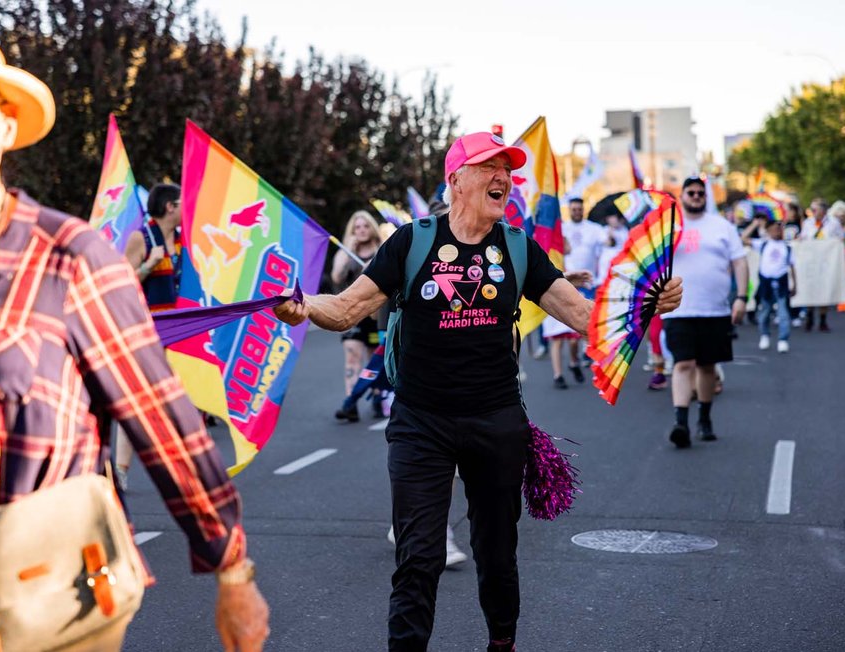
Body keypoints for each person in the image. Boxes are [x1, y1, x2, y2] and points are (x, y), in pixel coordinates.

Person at [0, 28, 268, 651]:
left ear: (4, 126)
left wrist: (233, 572)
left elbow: (164, 422)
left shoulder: (70, 257)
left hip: (57, 604)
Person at [274, 132, 682, 651]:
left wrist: (645, 300)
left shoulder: (516, 246)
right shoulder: (411, 242)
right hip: (420, 423)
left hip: (495, 420)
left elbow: (583, 316)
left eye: (507, 170)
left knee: (496, 553)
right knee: (418, 557)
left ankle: (501, 643)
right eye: (490, 166)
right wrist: (305, 305)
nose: (503, 178)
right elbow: (346, 308)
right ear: (456, 180)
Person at [663, 176, 747, 448]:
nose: (696, 196)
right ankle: (681, 422)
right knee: (683, 363)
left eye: (700, 192)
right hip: (677, 308)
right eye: (691, 192)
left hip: (715, 309)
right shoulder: (668, 226)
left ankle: (704, 418)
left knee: (707, 366)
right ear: (682, 196)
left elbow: (740, 262)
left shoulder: (722, 226)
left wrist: (742, 297)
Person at [116, 183, 182, 488]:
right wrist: (149, 265)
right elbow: (123, 284)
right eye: (182, 203)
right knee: (138, 400)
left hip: (180, 332)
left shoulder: (183, 240)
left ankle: (177, 470)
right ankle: (120, 468)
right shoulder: (141, 237)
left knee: (176, 402)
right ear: (170, 207)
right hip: (146, 331)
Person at [330, 210, 383, 421]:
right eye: (357, 227)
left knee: (374, 360)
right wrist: (349, 250)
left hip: (376, 314)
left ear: (372, 228)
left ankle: (378, 397)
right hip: (352, 314)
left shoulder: (382, 249)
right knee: (352, 358)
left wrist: (374, 267)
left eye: (365, 226)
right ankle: (350, 403)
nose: (361, 230)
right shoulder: (345, 252)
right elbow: (336, 277)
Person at [548, 197, 605, 389]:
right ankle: (558, 375)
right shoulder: (561, 229)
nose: (577, 212)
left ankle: (574, 362)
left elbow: (608, 243)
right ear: (569, 210)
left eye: (579, 209)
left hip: (586, 285)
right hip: (560, 284)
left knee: (577, 333)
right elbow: (550, 250)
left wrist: (612, 238)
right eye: (573, 209)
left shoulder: (593, 229)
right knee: (557, 336)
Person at [742, 217, 796, 352]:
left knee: (783, 313)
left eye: (778, 229)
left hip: (781, 282)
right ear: (768, 231)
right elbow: (743, 239)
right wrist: (755, 224)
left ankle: (783, 339)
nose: (776, 232)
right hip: (765, 283)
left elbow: (792, 267)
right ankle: (764, 335)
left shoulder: (787, 247)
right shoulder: (763, 244)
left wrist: (795, 284)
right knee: (764, 312)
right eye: (773, 230)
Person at [799, 197, 844, 332]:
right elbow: (803, 238)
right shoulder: (808, 223)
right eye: (812, 209)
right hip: (811, 261)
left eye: (815, 209)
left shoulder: (833, 223)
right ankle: (810, 316)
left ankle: (823, 319)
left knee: (825, 289)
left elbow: (841, 238)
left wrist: (832, 245)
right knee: (810, 288)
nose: (813, 212)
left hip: (826, 261)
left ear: (823, 210)